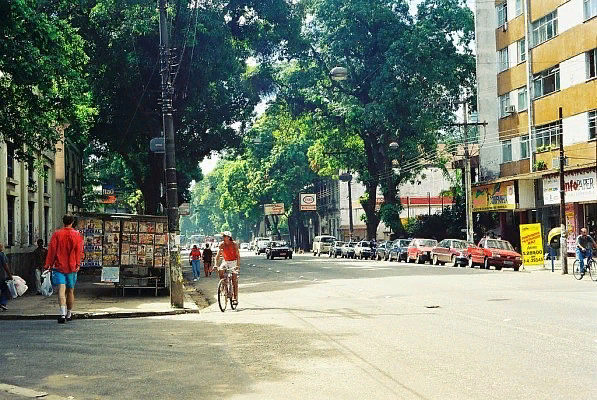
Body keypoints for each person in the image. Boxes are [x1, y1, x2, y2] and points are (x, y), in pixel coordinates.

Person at [44, 215, 84, 323]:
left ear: (63, 222)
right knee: (70, 290)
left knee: (61, 291)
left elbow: (52, 251)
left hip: (59, 267)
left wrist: (48, 264)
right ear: (72, 222)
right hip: (72, 267)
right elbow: (79, 251)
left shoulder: (57, 234)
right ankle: (69, 314)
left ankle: (62, 314)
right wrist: (78, 264)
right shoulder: (76, 234)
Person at [215, 231, 240, 305]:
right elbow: (218, 255)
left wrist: (237, 266)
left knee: (234, 279)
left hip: (233, 262)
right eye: (223, 236)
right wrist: (216, 264)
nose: (223, 238)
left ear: (229, 237)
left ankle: (235, 298)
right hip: (226, 261)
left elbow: (238, 256)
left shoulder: (234, 244)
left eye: (225, 236)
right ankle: (223, 284)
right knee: (221, 270)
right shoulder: (222, 244)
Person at [0, 244, 14, 311]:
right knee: (4, 289)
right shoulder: (2, 255)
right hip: (1, 276)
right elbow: (5, 266)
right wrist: (10, 275)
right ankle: (3, 303)